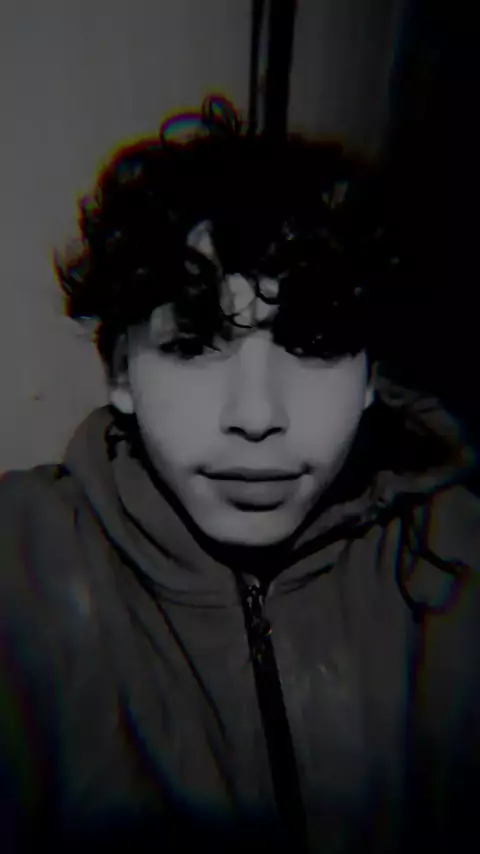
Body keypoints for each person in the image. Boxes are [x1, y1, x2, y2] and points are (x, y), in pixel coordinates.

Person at [1, 95, 479, 854]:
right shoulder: (17, 566)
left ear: (370, 377)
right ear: (121, 372)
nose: (256, 416)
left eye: (314, 344)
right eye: (194, 344)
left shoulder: (457, 556)